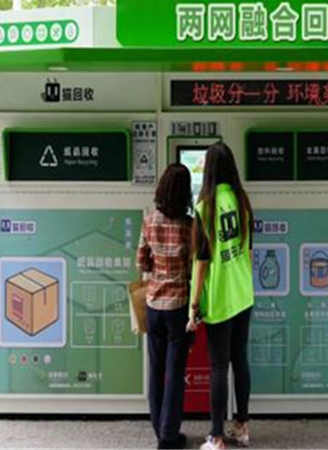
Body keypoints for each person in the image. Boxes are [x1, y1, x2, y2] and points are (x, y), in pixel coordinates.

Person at [188, 143, 255, 450]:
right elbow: (249, 251)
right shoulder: (242, 201)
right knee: (240, 359)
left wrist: (194, 305)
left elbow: (202, 261)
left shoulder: (205, 207)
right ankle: (241, 426)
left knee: (218, 366)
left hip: (220, 296)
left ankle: (216, 437)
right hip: (243, 293)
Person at [137, 164, 194, 450]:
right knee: (174, 373)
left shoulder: (149, 221)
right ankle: (169, 436)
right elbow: (194, 267)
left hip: (153, 305)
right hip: (178, 307)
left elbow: (141, 262)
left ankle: (159, 429)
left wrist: (158, 269)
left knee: (156, 370)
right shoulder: (189, 225)